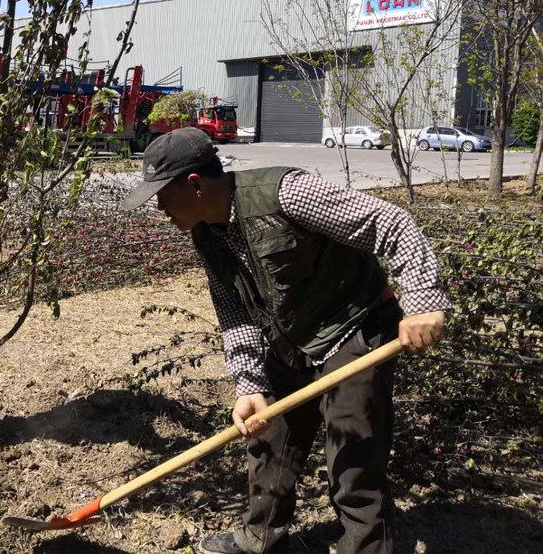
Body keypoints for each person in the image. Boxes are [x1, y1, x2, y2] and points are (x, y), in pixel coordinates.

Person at [120, 128, 449, 554]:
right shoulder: (206, 234)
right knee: (268, 442)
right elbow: (234, 312)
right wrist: (249, 385)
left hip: (353, 329)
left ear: (195, 185)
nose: (160, 209)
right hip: (292, 340)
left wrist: (423, 300)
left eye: (163, 195)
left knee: (353, 460)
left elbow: (390, 222)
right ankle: (260, 540)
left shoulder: (287, 194)